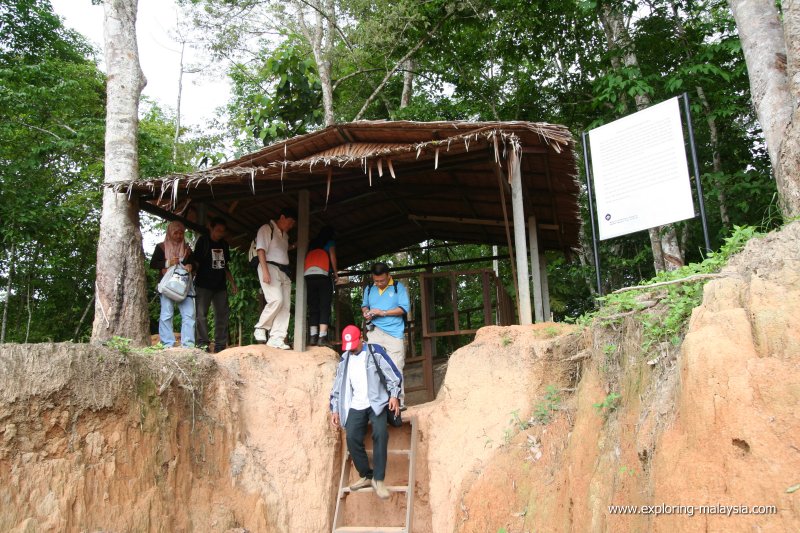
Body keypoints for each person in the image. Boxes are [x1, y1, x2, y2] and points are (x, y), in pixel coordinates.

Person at [329, 325, 402, 500]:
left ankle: (379, 479)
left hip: (377, 402)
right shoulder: (344, 359)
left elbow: (394, 374)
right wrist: (335, 409)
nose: (351, 349)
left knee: (380, 433)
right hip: (356, 404)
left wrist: (394, 396)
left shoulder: (375, 352)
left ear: (361, 338)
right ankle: (366, 475)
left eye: (354, 344)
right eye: (349, 346)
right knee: (352, 437)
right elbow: (337, 387)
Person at [361, 262, 409, 406]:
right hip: (375, 332)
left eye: (382, 280)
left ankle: (399, 401)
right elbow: (364, 305)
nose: (379, 283)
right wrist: (366, 312)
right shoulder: (369, 288)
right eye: (376, 281)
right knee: (373, 366)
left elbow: (404, 308)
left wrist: (382, 312)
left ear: (389, 275)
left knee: (396, 366)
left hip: (394, 333)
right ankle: (378, 402)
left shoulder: (397, 287)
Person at [254, 207, 298, 349]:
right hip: (269, 267)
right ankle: (261, 327)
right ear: (282, 217)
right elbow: (261, 250)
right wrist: (265, 271)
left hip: (284, 271)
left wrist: (292, 246)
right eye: (290, 222)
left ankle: (277, 338)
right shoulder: (267, 228)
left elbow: (280, 250)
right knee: (276, 299)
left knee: (285, 306)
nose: (291, 226)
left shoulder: (285, 235)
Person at [194, 217, 239, 353]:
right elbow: (196, 262)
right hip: (203, 284)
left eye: (222, 231)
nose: (220, 233)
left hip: (220, 286)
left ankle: (220, 345)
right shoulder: (203, 241)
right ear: (211, 228)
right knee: (201, 314)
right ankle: (203, 344)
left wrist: (232, 283)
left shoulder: (224, 244)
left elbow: (225, 266)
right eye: (217, 230)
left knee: (222, 314)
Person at [150, 221, 197, 348]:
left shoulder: (187, 249)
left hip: (184, 286)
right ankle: (167, 344)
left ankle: (188, 344)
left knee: (189, 314)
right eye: (175, 233)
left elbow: (195, 264)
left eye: (181, 233)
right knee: (166, 313)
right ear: (169, 233)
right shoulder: (161, 247)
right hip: (167, 286)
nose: (178, 235)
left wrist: (190, 265)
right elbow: (153, 264)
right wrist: (168, 263)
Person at [304, 225, 338, 347]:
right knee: (324, 306)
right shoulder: (329, 242)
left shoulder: (313, 243)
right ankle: (322, 338)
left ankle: (313, 337)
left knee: (313, 306)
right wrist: (335, 272)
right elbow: (332, 257)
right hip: (323, 277)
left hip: (309, 277)